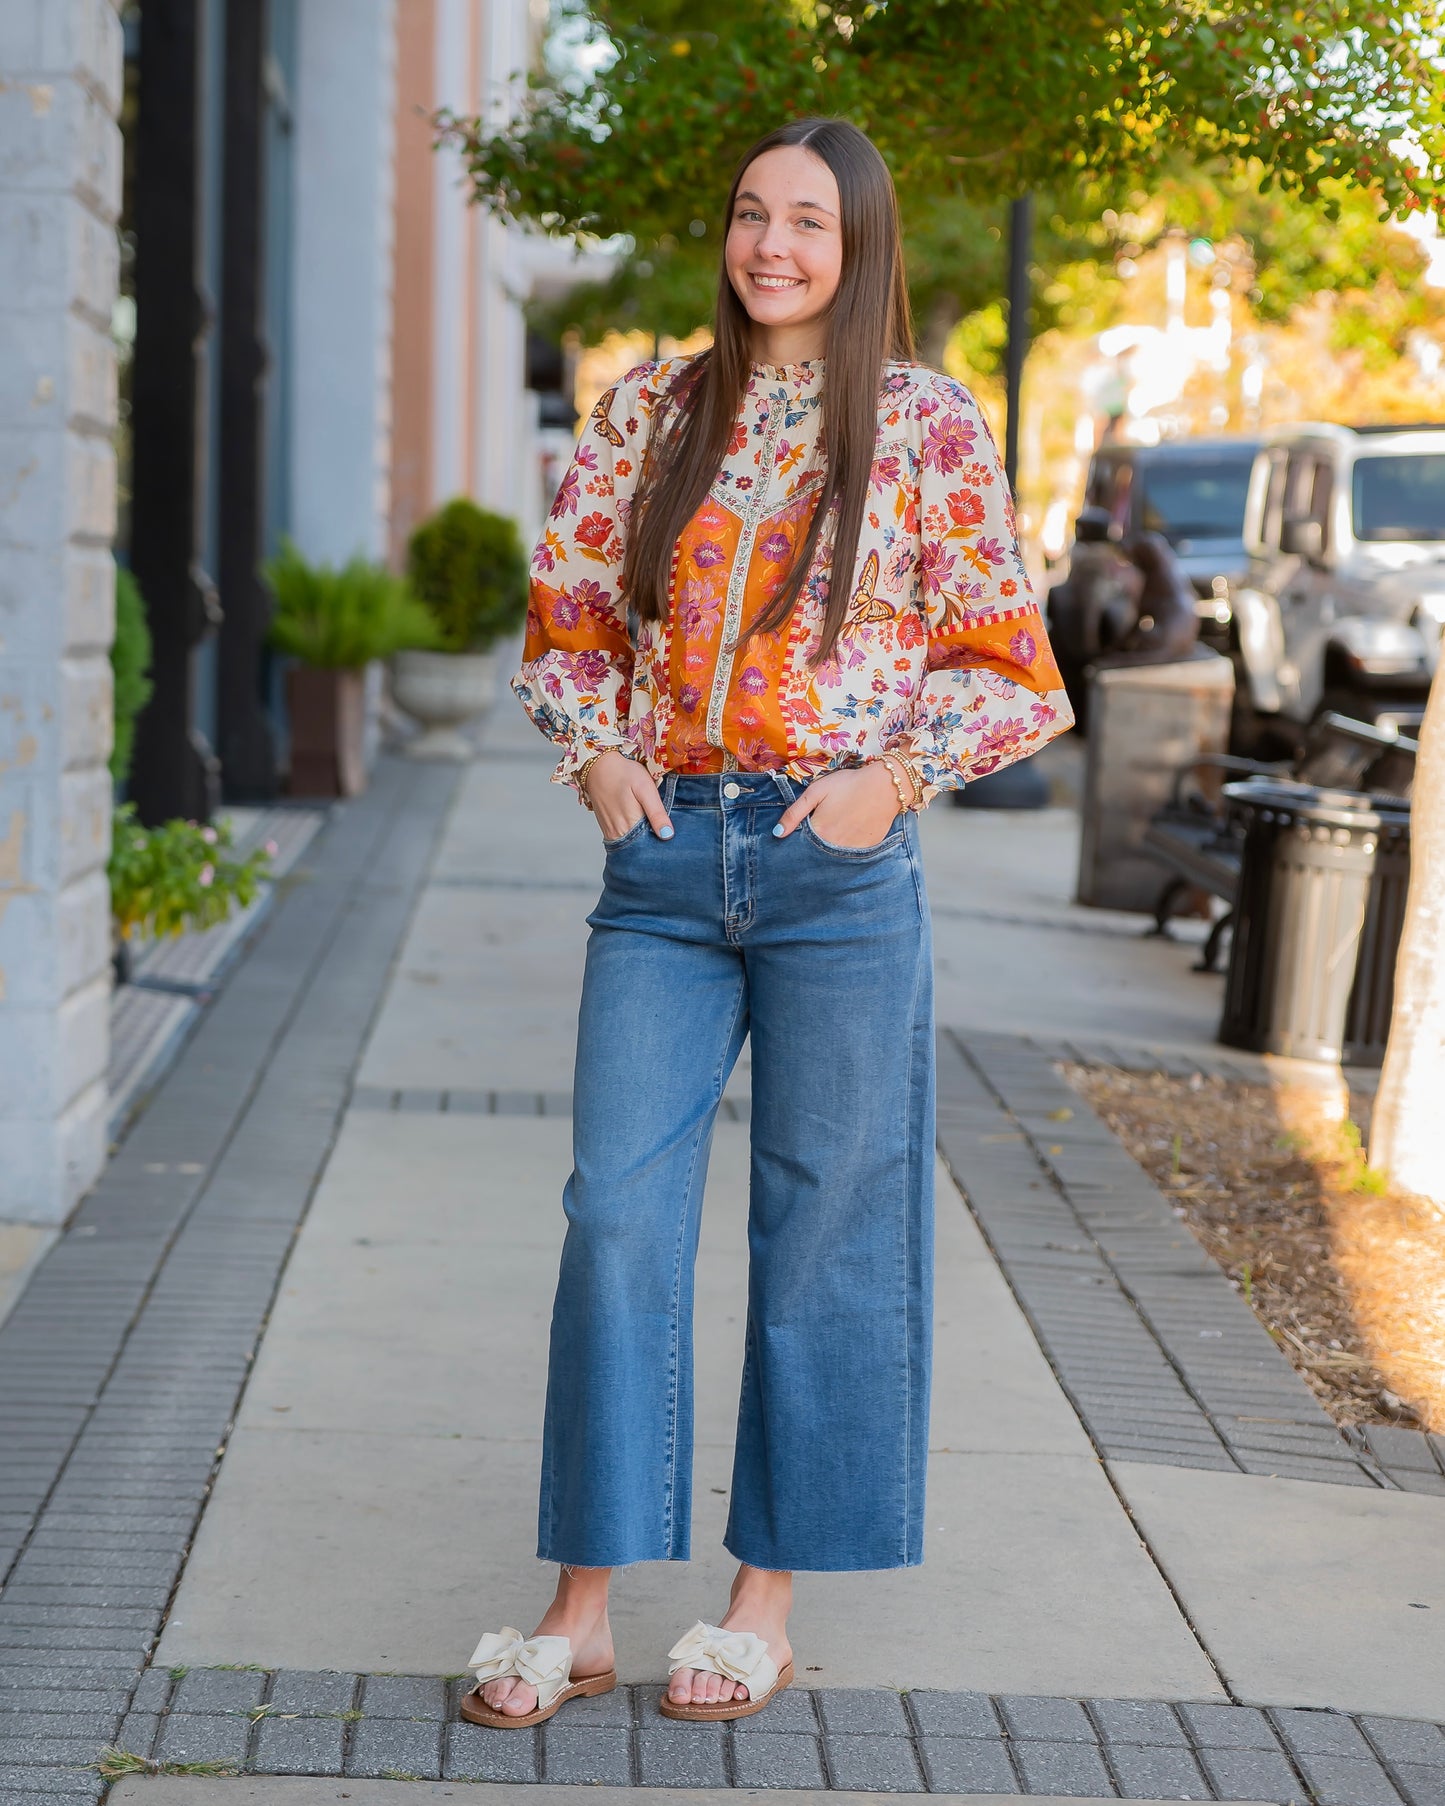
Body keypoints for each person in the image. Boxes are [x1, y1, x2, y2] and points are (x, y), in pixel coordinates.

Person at [461, 115, 1072, 1730]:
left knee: (825, 1230)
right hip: (664, 865)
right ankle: (581, 1606)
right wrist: (595, 756)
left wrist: (890, 782)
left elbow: (1008, 667)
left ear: (858, 245)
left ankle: (761, 1602)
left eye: (807, 219)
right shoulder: (650, 408)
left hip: (835, 870)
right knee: (614, 1212)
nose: (771, 245)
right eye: (750, 213)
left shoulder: (926, 424)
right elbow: (569, 618)